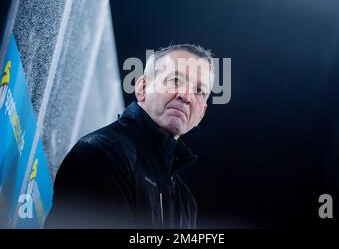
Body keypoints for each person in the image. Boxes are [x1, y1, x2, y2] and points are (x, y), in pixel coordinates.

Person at [45, 44, 214, 228]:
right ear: (142, 88)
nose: (186, 96)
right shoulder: (101, 153)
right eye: (175, 80)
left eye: (199, 91)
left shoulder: (186, 204)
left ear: (201, 115)